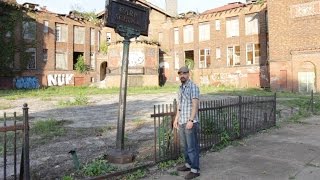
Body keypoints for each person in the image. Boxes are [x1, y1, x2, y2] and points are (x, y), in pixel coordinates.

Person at [173, 66, 200, 180]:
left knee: (192, 147)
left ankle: (195, 170)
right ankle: (188, 164)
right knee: (185, 146)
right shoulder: (181, 88)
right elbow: (180, 105)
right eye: (180, 73)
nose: (182, 75)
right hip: (182, 121)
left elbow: (195, 105)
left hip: (190, 122)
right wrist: (176, 119)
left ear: (189, 74)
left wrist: (191, 120)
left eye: (184, 73)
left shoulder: (193, 87)